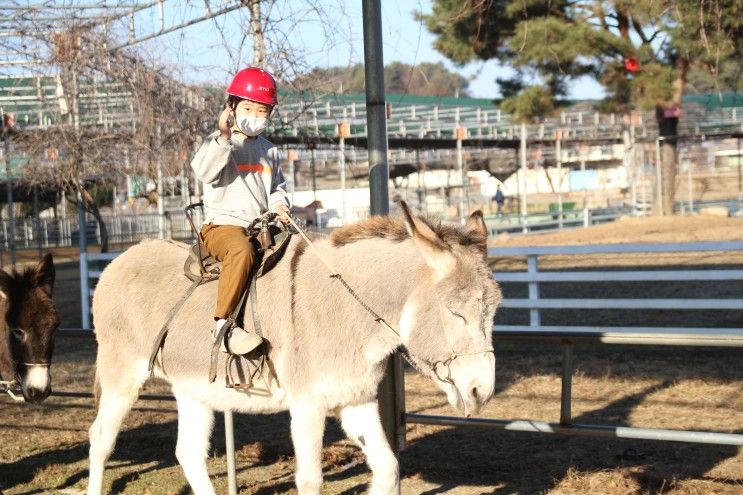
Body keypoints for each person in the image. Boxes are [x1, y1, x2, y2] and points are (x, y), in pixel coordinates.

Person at [190, 67, 291, 355]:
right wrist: (223, 138)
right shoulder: (217, 143)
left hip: (261, 226)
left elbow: (276, 188)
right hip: (223, 227)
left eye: (262, 111)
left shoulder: (270, 150)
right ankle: (223, 328)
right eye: (248, 108)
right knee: (242, 252)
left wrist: (280, 205)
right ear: (231, 107)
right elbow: (205, 172)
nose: (255, 116)